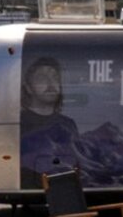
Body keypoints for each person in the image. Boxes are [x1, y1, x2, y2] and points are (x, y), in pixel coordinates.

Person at [20, 57, 82, 188]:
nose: (51, 83)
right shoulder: (18, 123)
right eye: (42, 78)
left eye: (55, 78)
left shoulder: (68, 124)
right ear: (28, 88)